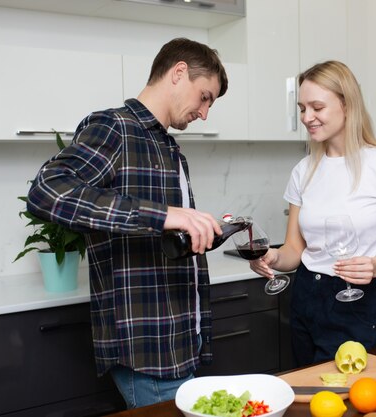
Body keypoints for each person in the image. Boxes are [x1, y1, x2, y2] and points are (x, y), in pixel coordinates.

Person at [26, 38, 228, 408]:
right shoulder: (115, 127)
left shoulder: (165, 145)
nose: (204, 113)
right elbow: (47, 191)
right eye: (205, 97)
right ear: (179, 72)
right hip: (148, 348)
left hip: (181, 337)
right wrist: (164, 214)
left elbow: (160, 234)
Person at [249, 60, 376, 367]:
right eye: (302, 108)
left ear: (347, 105)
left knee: (347, 398)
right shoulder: (303, 170)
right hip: (306, 297)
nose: (307, 117)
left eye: (317, 107)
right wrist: (274, 258)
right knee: (309, 397)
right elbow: (295, 249)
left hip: (355, 300)